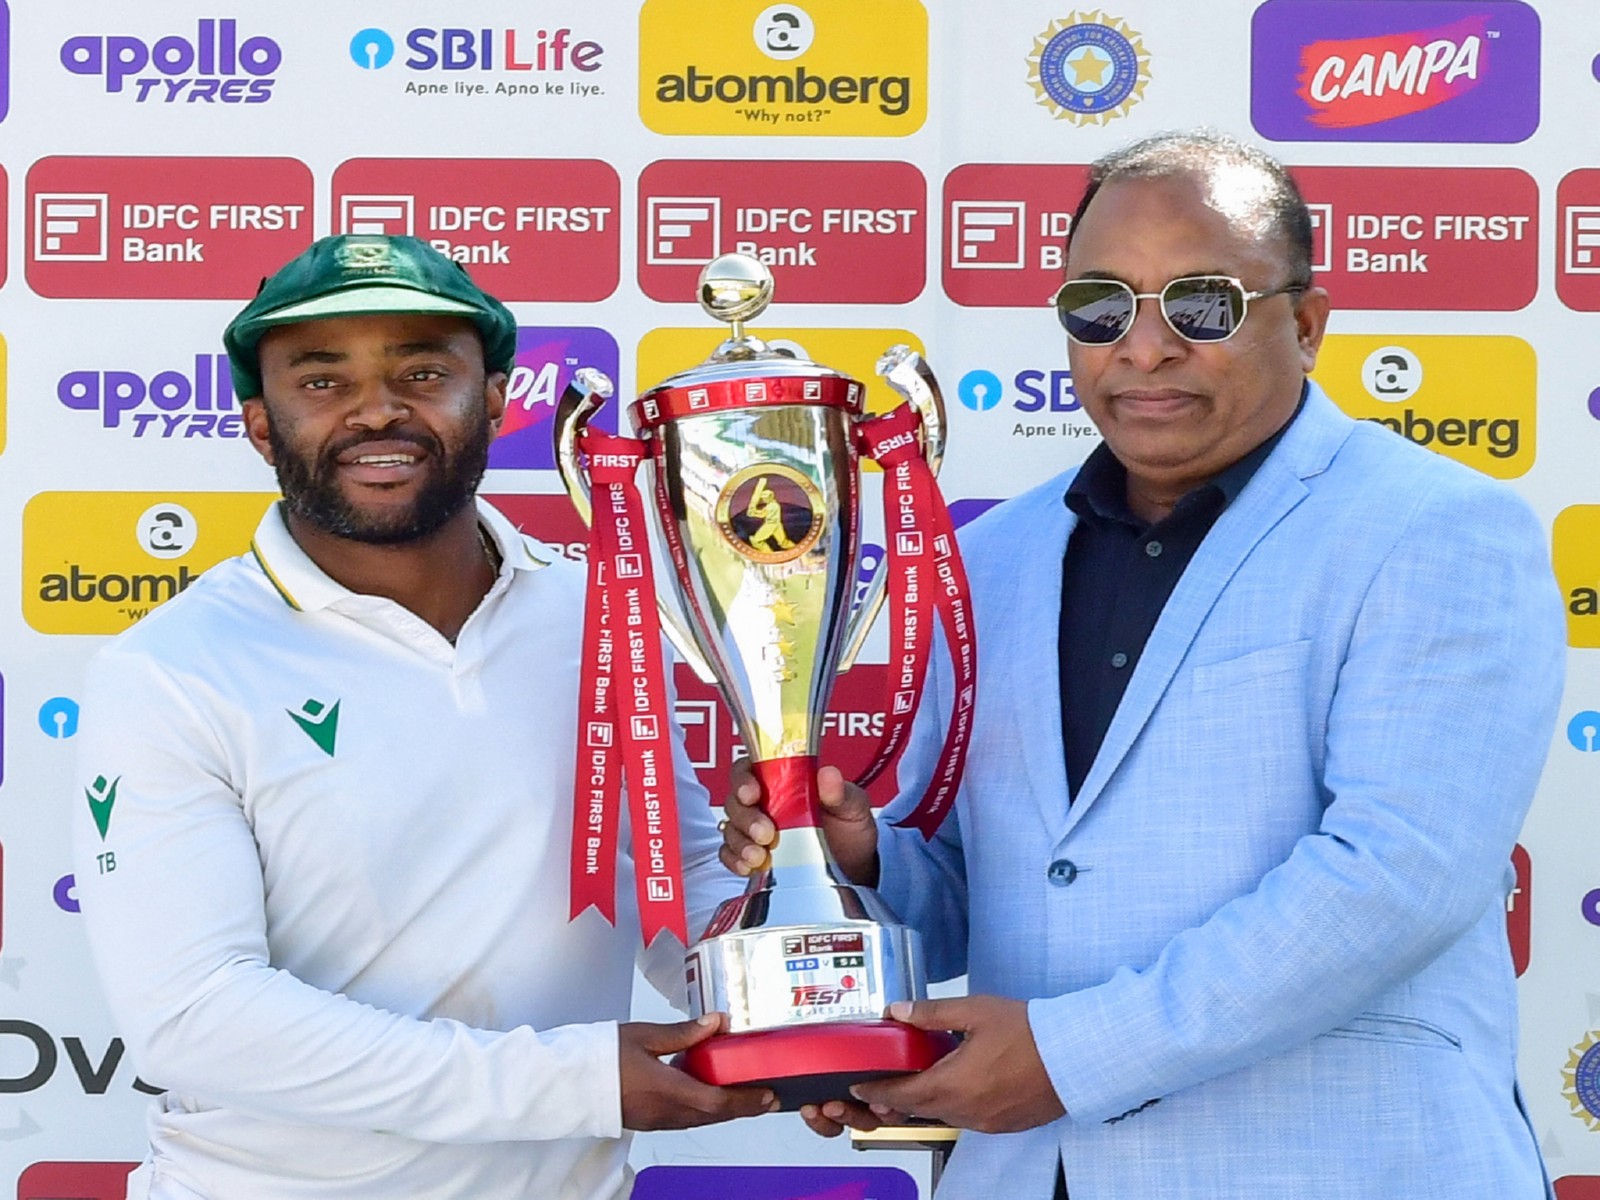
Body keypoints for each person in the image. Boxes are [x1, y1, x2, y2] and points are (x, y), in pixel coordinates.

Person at [721, 130, 1564, 1198]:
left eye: (1202, 305)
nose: (1145, 346)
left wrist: (1071, 1057)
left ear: (1306, 325)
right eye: (1100, 308)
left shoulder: (1436, 529)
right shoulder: (986, 559)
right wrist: (864, 865)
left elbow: (1394, 878)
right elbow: (998, 892)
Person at [73, 234, 773, 1200]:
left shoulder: (604, 616)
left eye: (423, 370)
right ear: (259, 423)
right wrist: (571, 1082)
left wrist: (791, 960)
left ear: (492, 398)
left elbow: (678, 888)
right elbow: (195, 1015)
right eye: (321, 381)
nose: (377, 409)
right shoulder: (172, 669)